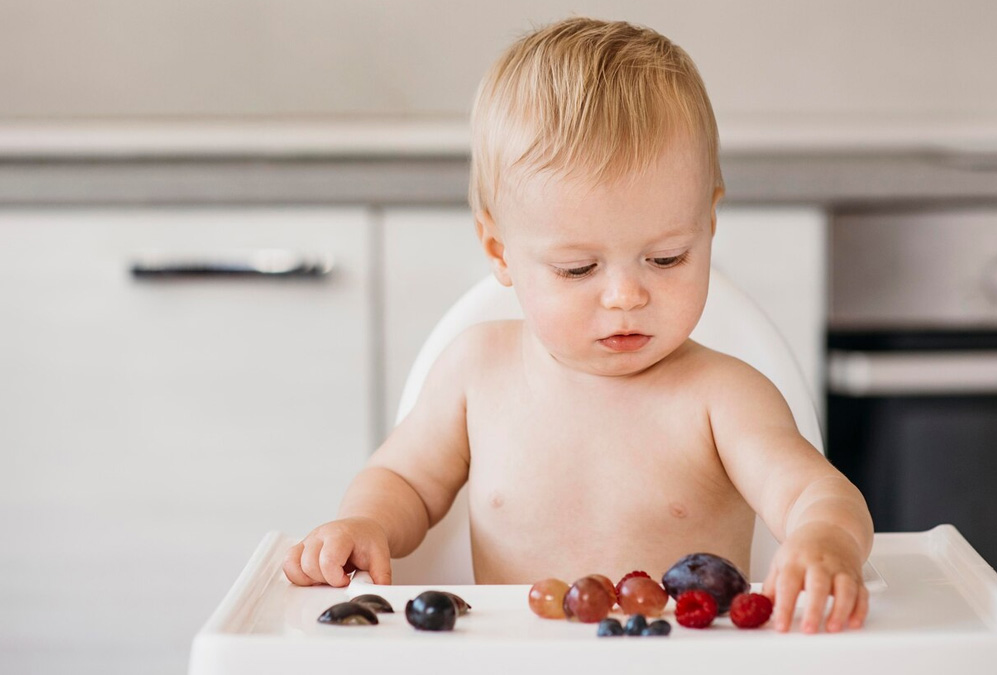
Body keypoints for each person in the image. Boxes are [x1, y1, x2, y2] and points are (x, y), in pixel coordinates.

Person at [283, 16, 873, 634]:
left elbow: (819, 496)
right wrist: (364, 525)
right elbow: (402, 480)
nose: (624, 295)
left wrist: (826, 542)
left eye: (667, 258)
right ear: (498, 251)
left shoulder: (724, 398)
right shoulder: (474, 373)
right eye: (577, 268)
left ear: (710, 224)